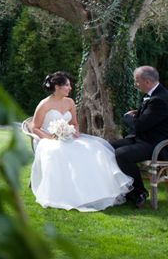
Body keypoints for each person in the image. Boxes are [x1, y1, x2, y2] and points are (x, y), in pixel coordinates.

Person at [29, 71, 133, 211]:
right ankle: (67, 193)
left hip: (67, 137)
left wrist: (74, 131)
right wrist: (51, 138)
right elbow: (34, 127)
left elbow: (74, 123)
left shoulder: (70, 102)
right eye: (67, 85)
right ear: (57, 87)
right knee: (60, 151)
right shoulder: (44, 104)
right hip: (48, 139)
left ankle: (95, 192)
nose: (70, 88)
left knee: (94, 148)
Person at [110, 66, 168, 208]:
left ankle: (139, 191)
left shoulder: (159, 99)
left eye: (137, 81)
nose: (135, 85)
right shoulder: (153, 94)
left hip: (156, 144)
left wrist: (128, 117)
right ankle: (119, 189)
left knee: (122, 154)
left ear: (147, 81)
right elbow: (148, 119)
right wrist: (138, 114)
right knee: (108, 147)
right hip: (143, 138)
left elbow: (140, 125)